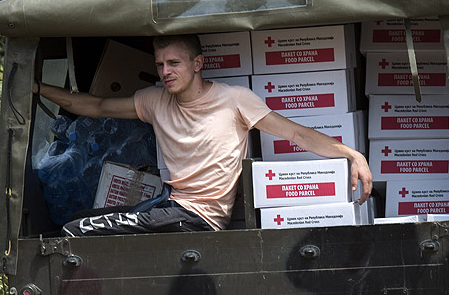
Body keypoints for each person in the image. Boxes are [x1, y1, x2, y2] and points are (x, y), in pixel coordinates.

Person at [35, 35, 372, 235]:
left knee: (73, 233)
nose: (166, 72)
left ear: (197, 64)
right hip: (169, 204)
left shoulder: (235, 101)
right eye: (160, 65)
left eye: (174, 63)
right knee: (76, 219)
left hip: (198, 218)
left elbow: (296, 133)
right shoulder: (154, 100)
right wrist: (36, 87)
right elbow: (97, 106)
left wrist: (352, 154)